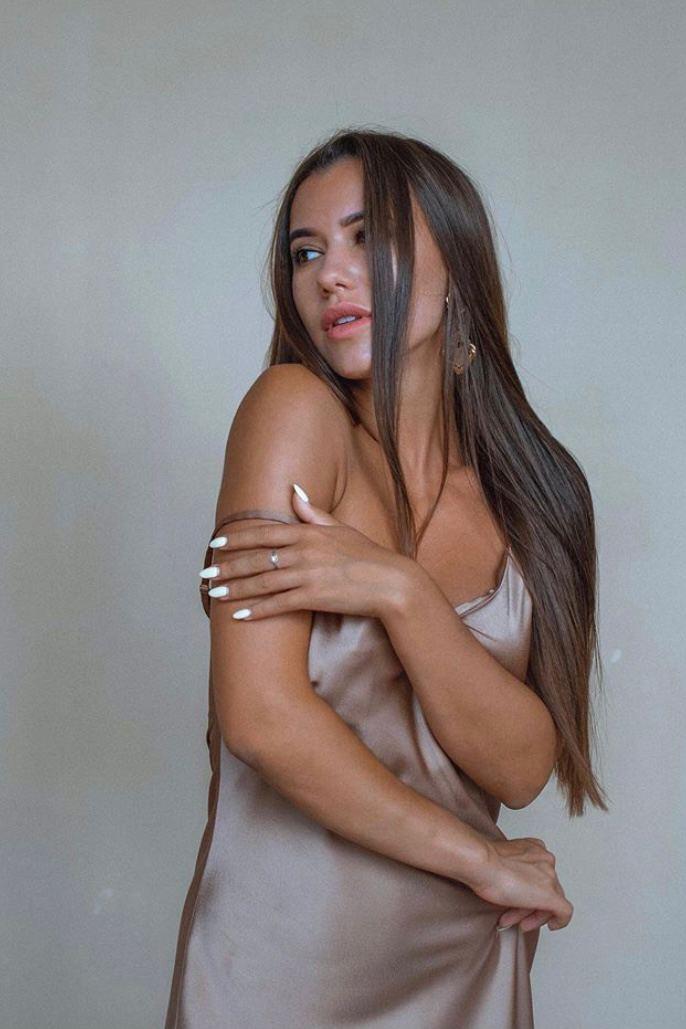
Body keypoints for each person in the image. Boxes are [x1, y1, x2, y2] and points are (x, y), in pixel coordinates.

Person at [165, 128, 608, 1028]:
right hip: (279, 970)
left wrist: (399, 592)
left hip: (463, 965)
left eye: (368, 237)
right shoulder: (291, 414)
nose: (331, 274)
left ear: (459, 264)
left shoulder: (539, 492)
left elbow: (523, 764)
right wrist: (481, 859)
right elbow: (259, 719)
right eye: (306, 252)